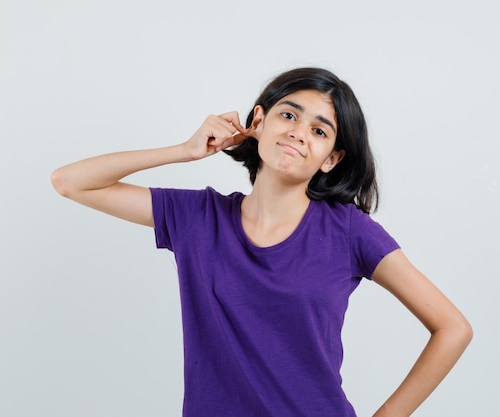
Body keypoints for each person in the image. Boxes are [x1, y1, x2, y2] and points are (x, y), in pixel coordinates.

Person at [51, 67, 472, 417]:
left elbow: (452, 328)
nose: (299, 133)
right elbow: (70, 182)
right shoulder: (198, 218)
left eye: (320, 130)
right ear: (258, 122)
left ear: (331, 158)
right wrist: (184, 150)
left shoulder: (347, 231)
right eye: (289, 115)